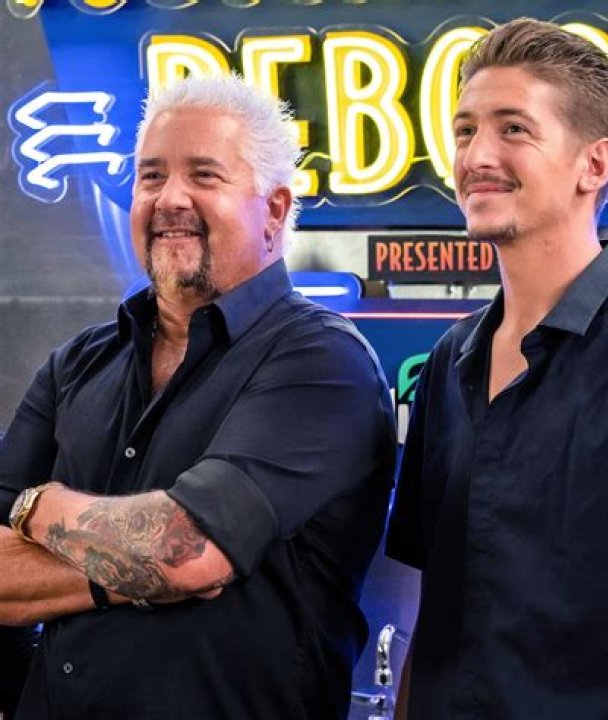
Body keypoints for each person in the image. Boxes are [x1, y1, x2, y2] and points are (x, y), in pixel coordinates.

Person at [0, 74, 396, 720]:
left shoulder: (324, 363)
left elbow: (184, 551)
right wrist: (138, 570)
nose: (170, 199)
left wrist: (34, 508)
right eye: (151, 176)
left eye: (204, 175)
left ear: (274, 211)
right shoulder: (77, 365)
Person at [386, 17, 608, 720]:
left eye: (513, 129)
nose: (477, 155)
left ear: (594, 165)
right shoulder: (448, 363)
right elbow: (435, 619)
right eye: (465, 130)